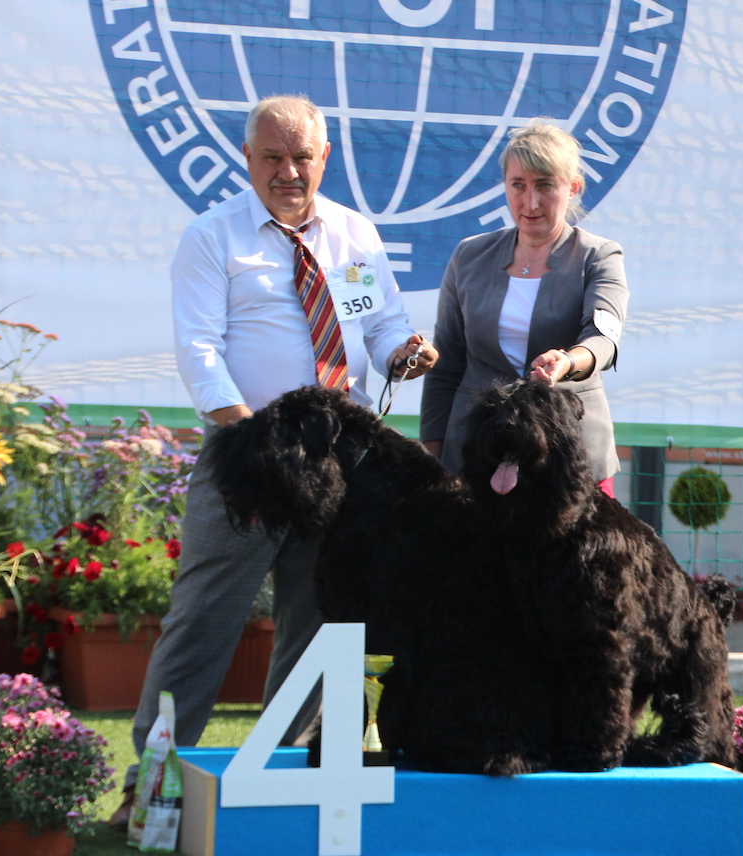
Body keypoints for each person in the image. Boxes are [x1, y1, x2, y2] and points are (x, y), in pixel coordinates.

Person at [110, 94, 437, 829]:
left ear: (325, 159)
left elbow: (377, 321)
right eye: (273, 158)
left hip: (335, 466)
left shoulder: (354, 234)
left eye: (303, 158)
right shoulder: (212, 236)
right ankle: (151, 789)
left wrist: (404, 352)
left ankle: (276, 789)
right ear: (248, 160)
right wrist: (254, 441)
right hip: (248, 462)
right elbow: (199, 350)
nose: (289, 172)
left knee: (318, 626)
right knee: (200, 627)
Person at [420, 121, 628, 494]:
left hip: (569, 457)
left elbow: (603, 338)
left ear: (573, 188)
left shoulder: (599, 256)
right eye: (519, 185)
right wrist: (434, 451)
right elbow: (447, 362)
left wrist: (568, 361)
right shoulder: (469, 255)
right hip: (477, 454)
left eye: (545, 185)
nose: (530, 202)